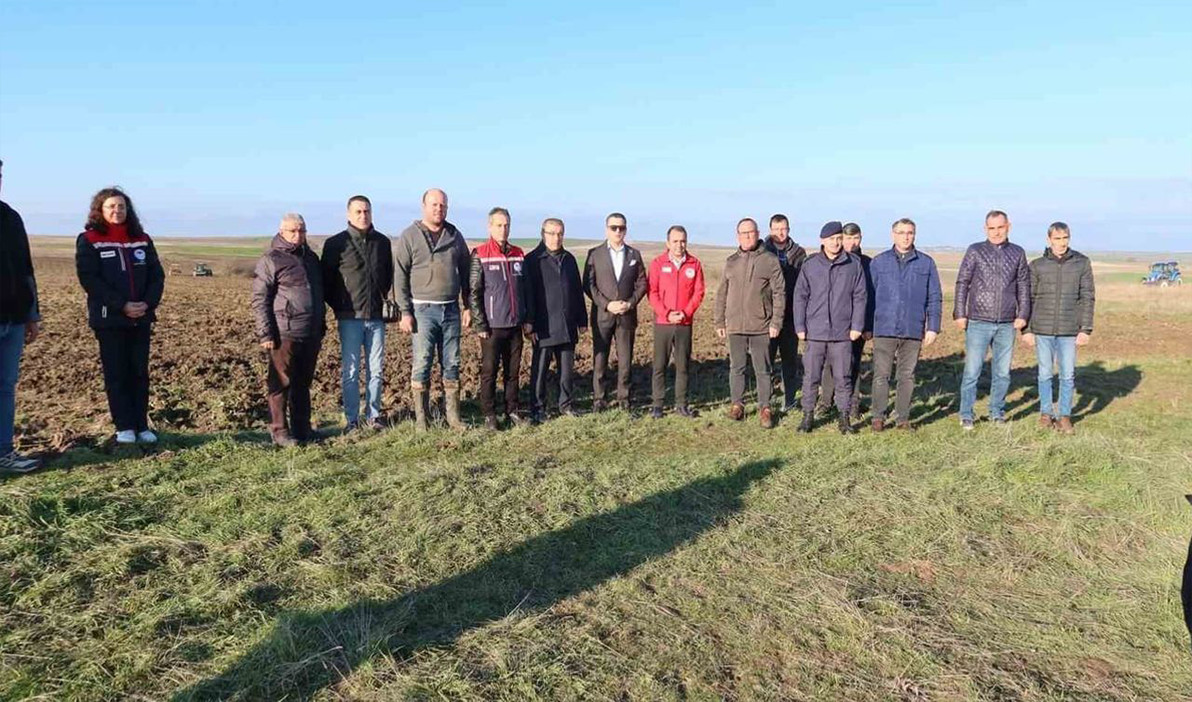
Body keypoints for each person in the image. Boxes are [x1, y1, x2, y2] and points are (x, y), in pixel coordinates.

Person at [75, 187, 165, 445]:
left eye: (122, 206)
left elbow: (156, 276)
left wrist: (147, 303)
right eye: (111, 206)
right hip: (110, 319)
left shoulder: (142, 239)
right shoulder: (89, 239)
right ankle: (124, 426)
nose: (117, 211)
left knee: (139, 373)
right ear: (100, 210)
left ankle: (141, 425)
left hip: (141, 318)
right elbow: (90, 279)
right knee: (117, 374)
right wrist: (121, 305)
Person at [393, 188, 471, 432]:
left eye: (443, 205)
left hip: (451, 310)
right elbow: (400, 275)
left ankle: (453, 417)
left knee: (452, 363)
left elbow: (466, 272)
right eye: (434, 204)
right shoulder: (410, 235)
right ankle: (421, 420)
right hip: (422, 310)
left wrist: (468, 305)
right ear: (424, 206)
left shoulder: (454, 235)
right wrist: (405, 311)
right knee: (422, 362)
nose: (439, 209)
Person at [320, 195, 393, 432]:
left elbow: (387, 276)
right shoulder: (335, 244)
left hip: (376, 317)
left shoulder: (382, 242)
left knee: (376, 370)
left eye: (367, 211)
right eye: (358, 212)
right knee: (351, 371)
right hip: (349, 318)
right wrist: (341, 305)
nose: (363, 216)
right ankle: (351, 419)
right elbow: (326, 281)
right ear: (348, 214)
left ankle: (373, 415)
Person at [252, 214, 324, 447]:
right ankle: (280, 432)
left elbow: (318, 293)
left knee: (303, 384)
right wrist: (265, 333)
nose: (298, 235)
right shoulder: (271, 259)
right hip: (284, 331)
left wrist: (320, 324)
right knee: (280, 384)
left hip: (310, 331)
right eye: (293, 231)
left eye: (302, 231)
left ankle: (302, 429)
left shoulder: (311, 258)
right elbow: (260, 298)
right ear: (282, 231)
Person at [954, 210, 1030, 430]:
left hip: (1006, 323)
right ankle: (966, 414)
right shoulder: (975, 250)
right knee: (972, 371)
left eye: (1000, 227)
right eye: (992, 228)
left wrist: (1023, 314)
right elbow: (962, 282)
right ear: (985, 229)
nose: (996, 232)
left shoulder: (1017, 252)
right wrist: (960, 313)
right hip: (978, 321)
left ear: (1008, 227)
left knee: (1003, 373)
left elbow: (1023, 286)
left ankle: (997, 412)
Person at [867, 218, 942, 431]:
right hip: (884, 327)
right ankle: (878, 417)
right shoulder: (879, 262)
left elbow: (934, 297)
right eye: (901, 233)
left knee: (907, 376)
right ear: (893, 235)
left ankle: (902, 418)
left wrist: (933, 327)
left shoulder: (926, 263)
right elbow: (868, 297)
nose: (906, 237)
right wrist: (867, 325)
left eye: (910, 233)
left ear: (914, 235)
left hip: (912, 328)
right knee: (881, 375)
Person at [794, 221, 868, 434]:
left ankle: (844, 418)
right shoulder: (810, 265)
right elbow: (800, 296)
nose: (835, 243)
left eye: (838, 239)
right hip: (815, 332)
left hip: (842, 333)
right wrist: (800, 325)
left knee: (843, 377)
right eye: (831, 239)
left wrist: (857, 326)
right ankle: (807, 416)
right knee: (811, 377)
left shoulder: (853, 265)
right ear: (822, 241)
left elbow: (860, 296)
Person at [1021, 222, 1095, 435]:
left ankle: (1064, 416)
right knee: (1044, 374)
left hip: (1069, 330)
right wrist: (1026, 330)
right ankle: (1046, 414)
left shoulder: (1082, 263)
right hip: (1042, 329)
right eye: (1057, 238)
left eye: (1065, 238)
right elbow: (1028, 298)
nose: (1061, 243)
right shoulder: (1037, 266)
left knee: (1067, 375)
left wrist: (1085, 329)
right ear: (1049, 240)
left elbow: (1087, 297)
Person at [714, 218, 784, 428]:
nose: (747, 236)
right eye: (743, 233)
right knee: (737, 368)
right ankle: (737, 405)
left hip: (761, 326)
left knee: (763, 369)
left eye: (751, 232)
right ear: (738, 236)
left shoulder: (769, 260)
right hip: (735, 326)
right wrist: (719, 321)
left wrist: (776, 322)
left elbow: (779, 293)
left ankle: (765, 408)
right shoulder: (731, 261)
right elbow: (722, 293)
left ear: (758, 234)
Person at [468, 207, 530, 430]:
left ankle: (512, 410)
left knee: (513, 372)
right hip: (492, 327)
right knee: (489, 372)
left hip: (515, 325)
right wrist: (480, 324)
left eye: (506, 225)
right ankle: (489, 414)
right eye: (498, 225)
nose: (503, 229)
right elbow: (474, 292)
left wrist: (525, 318)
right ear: (490, 227)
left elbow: (524, 289)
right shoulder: (480, 254)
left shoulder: (518, 253)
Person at [0, 159, 41, 472]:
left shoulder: (10, 217)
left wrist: (32, 313)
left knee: (5, 387)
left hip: (13, 319)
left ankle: (4, 452)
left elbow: (26, 268)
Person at [583, 212, 647, 412]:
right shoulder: (595, 254)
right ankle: (599, 399)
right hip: (603, 316)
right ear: (607, 230)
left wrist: (630, 303)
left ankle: (624, 398)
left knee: (625, 360)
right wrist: (607, 304)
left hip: (626, 316)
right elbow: (589, 285)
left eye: (621, 228)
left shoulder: (634, 255)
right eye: (614, 228)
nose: (618, 231)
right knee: (600, 359)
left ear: (626, 230)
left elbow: (642, 283)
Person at [525, 218, 586, 422]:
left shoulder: (569, 259)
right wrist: (529, 323)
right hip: (543, 326)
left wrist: (582, 320)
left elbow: (576, 291)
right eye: (551, 233)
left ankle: (565, 405)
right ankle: (537, 408)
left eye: (560, 233)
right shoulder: (533, 260)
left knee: (566, 370)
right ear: (543, 234)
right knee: (540, 370)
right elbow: (528, 294)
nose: (556, 238)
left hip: (567, 323)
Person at [647, 225, 705, 419]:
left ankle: (681, 404)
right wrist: (666, 313)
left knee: (683, 365)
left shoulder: (694, 264)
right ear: (668, 243)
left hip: (684, 323)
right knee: (659, 365)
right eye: (675, 241)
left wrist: (685, 313)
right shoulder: (658, 263)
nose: (679, 245)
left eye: (683, 241)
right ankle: (657, 405)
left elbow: (698, 292)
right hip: (663, 323)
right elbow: (652, 292)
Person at [819, 222, 873, 420]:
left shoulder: (868, 264)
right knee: (829, 363)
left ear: (861, 239)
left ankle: (853, 404)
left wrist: (867, 325)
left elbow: (870, 297)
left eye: (856, 238)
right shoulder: (835, 260)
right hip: (834, 323)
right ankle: (825, 402)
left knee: (854, 363)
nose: (852, 242)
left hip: (858, 324)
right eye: (848, 238)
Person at [762, 213, 806, 413]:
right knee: (766, 361)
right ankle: (766, 401)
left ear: (789, 230)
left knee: (789, 361)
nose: (780, 233)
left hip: (790, 316)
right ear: (770, 230)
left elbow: (803, 284)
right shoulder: (762, 252)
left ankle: (789, 400)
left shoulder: (798, 253)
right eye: (777, 229)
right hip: (767, 316)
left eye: (784, 229)